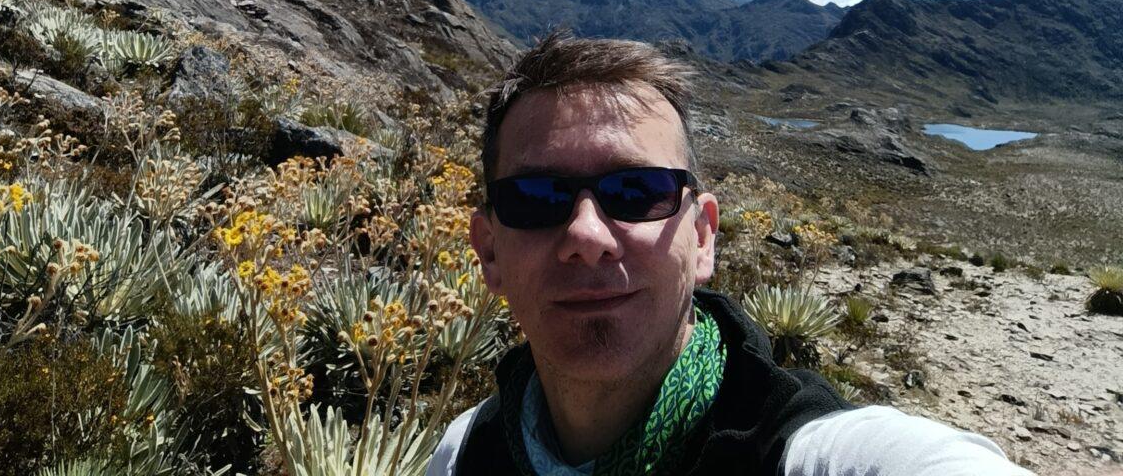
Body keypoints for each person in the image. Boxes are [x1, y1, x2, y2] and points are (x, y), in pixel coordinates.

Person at [426, 32, 1033, 476]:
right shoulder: (464, 453)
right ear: (489, 252)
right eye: (535, 198)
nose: (587, 234)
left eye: (637, 191)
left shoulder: (804, 453)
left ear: (704, 238)